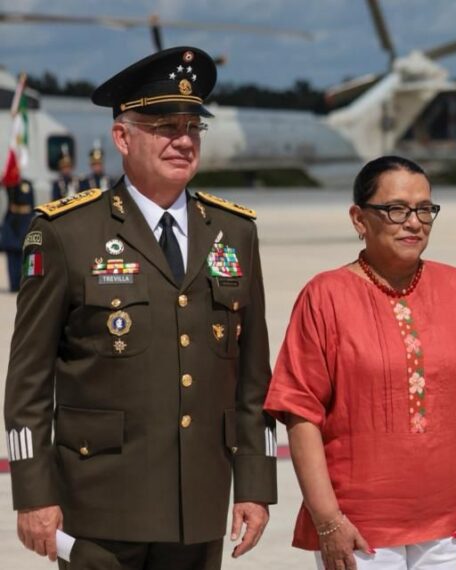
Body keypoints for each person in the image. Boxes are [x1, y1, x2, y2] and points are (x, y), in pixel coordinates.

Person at [3, 46, 277, 569]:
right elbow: (28, 382)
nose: (181, 139)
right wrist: (34, 494)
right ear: (122, 137)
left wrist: (256, 484)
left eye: (192, 126)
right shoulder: (67, 232)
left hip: (198, 503)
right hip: (101, 506)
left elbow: (252, 378)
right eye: (162, 125)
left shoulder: (234, 232)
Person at [264, 155, 456, 570]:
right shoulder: (325, 296)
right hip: (358, 528)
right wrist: (327, 520)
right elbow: (300, 412)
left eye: (424, 210)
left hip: (451, 521)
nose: (413, 222)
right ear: (359, 219)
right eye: (396, 210)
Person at [1, 178, 35, 292]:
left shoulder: (27, 184)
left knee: (28, 254)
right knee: (12, 257)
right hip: (12, 223)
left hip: (25, 221)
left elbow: (31, 205)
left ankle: (28, 284)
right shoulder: (9, 184)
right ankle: (14, 284)